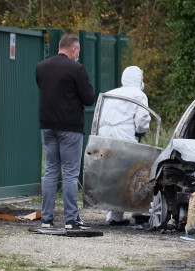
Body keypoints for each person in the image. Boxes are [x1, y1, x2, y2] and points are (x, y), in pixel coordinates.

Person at [36, 33, 96, 232]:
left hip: (47, 125)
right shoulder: (76, 69)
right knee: (70, 173)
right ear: (74, 49)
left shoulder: (41, 67)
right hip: (70, 127)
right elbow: (89, 98)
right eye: (78, 51)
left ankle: (46, 219)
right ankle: (71, 219)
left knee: (51, 170)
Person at [97, 65, 151, 225]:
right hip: (124, 135)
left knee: (113, 173)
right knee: (136, 171)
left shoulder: (110, 93)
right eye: (142, 79)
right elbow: (142, 120)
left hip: (104, 136)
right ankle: (139, 211)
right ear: (138, 79)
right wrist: (141, 131)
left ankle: (114, 215)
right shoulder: (139, 95)